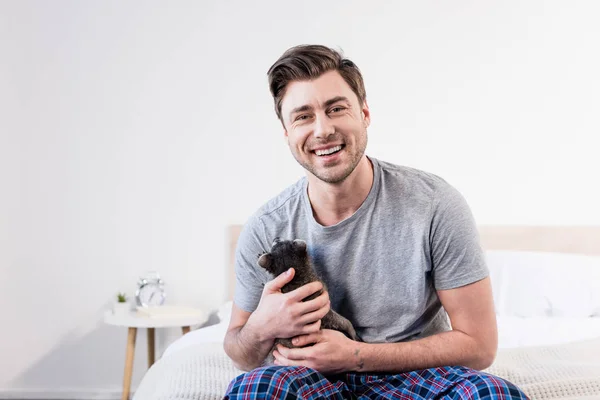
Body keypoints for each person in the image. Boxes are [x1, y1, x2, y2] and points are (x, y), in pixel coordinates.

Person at [223, 44, 528, 399]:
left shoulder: (434, 204)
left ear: (364, 113)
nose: (322, 130)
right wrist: (261, 327)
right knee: (254, 387)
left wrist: (355, 356)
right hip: (307, 376)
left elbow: (480, 345)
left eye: (336, 109)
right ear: (287, 133)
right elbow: (239, 351)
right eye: (303, 116)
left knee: (492, 394)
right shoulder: (265, 227)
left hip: (417, 375)